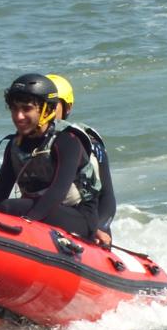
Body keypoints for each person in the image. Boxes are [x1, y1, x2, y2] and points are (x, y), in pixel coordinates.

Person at [0, 73, 108, 244]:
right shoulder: (15, 145)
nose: (19, 116)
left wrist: (26, 223)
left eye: (26, 109)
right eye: (14, 109)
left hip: (79, 217)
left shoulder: (67, 141)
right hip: (38, 210)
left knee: (9, 207)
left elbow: (57, 193)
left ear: (47, 110)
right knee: (3, 206)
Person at [46, 73, 116, 248]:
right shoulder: (25, 143)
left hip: (85, 224)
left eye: (52, 106)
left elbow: (107, 198)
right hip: (42, 222)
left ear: (67, 108)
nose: (45, 111)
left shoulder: (85, 142)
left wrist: (99, 227)